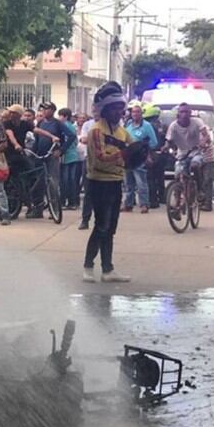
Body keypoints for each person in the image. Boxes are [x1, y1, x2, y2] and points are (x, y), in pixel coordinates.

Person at [82, 82, 132, 283]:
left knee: (111, 227)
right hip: (99, 183)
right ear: (105, 109)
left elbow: (133, 145)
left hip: (116, 182)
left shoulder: (121, 131)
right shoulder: (96, 130)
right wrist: (124, 154)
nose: (120, 111)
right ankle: (88, 265)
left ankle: (108, 269)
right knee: (101, 226)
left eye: (121, 107)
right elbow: (101, 157)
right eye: (115, 108)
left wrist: (142, 152)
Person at [29, 101, 72, 218]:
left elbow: (71, 136)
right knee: (39, 182)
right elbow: (37, 139)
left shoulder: (58, 124)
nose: (44, 111)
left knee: (53, 182)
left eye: (47, 109)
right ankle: (38, 209)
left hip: (52, 156)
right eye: (43, 109)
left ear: (53, 110)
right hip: (40, 156)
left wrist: (61, 150)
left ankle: (55, 209)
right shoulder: (40, 123)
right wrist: (32, 153)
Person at [122, 104, 156, 213]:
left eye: (137, 112)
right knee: (128, 183)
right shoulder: (128, 125)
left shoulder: (146, 126)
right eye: (133, 112)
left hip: (140, 157)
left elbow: (154, 143)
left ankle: (144, 204)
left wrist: (146, 153)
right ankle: (128, 204)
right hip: (128, 157)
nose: (135, 114)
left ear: (141, 114)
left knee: (141, 183)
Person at [143, 104, 167, 209]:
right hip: (160, 154)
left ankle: (153, 201)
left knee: (150, 178)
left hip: (151, 153)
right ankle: (162, 197)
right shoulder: (160, 124)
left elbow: (147, 141)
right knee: (160, 177)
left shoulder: (147, 125)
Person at [78, 110, 98, 229]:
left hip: (106, 160)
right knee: (88, 191)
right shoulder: (87, 124)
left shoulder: (111, 123)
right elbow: (83, 140)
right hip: (89, 159)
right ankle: (85, 219)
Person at [58, 108, 81, 209]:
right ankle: (73, 202)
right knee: (72, 180)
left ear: (65, 116)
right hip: (73, 155)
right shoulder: (72, 126)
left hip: (65, 155)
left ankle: (63, 201)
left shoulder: (64, 126)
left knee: (64, 180)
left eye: (60, 116)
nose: (59, 118)